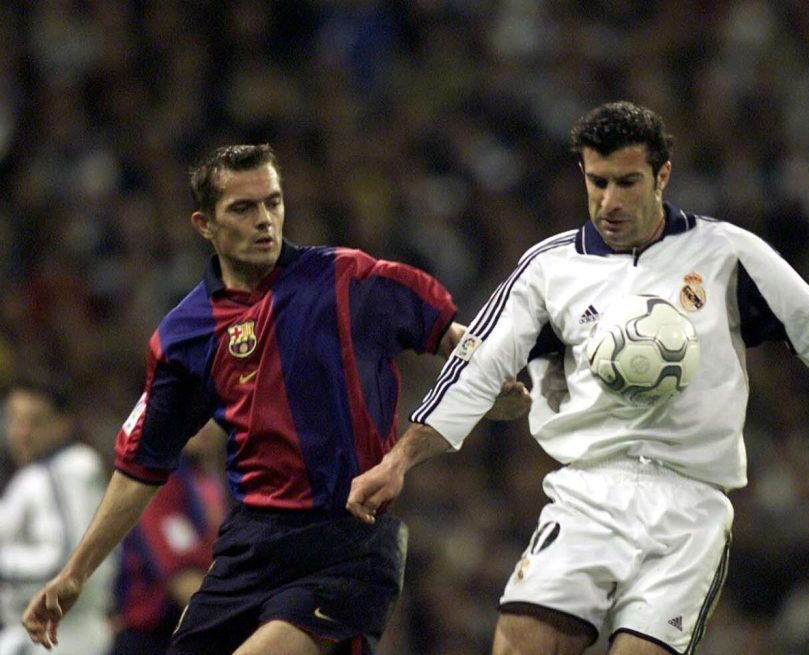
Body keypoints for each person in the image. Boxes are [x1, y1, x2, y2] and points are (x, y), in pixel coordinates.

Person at [346, 101, 809, 655]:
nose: (609, 201)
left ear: (662, 176)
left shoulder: (728, 254)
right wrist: (400, 460)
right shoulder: (548, 268)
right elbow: (477, 366)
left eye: (627, 182)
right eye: (597, 182)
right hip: (588, 492)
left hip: (690, 505)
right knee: (520, 642)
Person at [21, 144, 528, 655]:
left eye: (273, 202)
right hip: (249, 549)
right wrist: (74, 573)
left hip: (346, 544)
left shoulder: (346, 279)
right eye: (243, 208)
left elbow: (455, 338)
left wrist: (490, 384)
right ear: (204, 225)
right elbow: (140, 466)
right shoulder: (184, 335)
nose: (264, 219)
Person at [0, 375, 114, 655]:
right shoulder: (39, 473)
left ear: (63, 423)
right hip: (48, 635)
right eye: (15, 420)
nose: (22, 433)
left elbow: (63, 560)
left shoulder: (67, 469)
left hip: (60, 638)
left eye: (35, 422)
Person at [109, 420, 227, 655]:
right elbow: (182, 580)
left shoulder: (217, 481)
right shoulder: (157, 481)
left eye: (213, 411)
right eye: (192, 410)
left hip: (197, 628)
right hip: (151, 637)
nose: (205, 423)